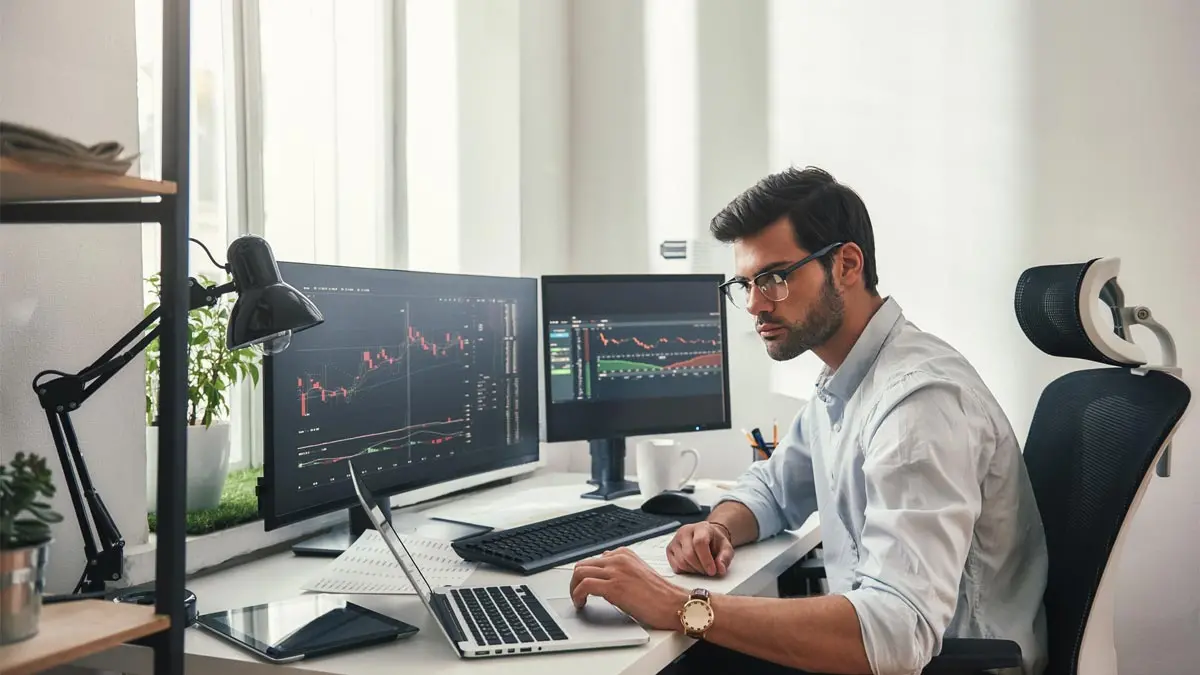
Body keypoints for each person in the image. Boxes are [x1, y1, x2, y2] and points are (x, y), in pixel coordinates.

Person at [568, 167, 1048, 675]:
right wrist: (716, 527)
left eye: (773, 278)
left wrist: (678, 605)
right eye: (745, 284)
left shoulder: (919, 405)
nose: (754, 304)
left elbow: (896, 634)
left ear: (845, 264)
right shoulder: (844, 382)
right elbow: (774, 490)